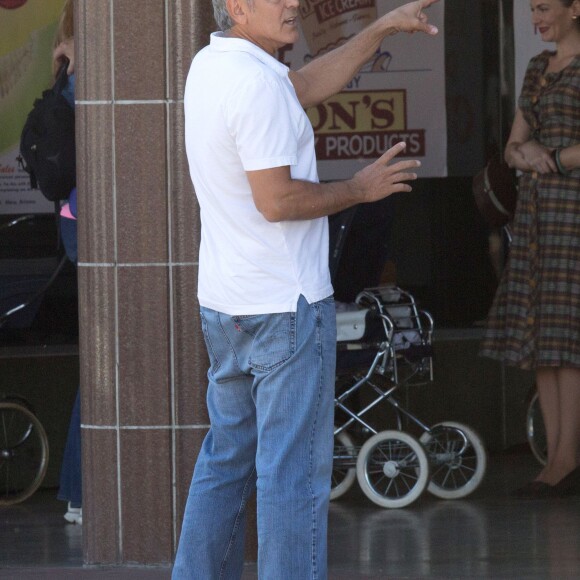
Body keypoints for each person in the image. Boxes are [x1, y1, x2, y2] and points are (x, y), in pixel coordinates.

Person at [172, 1, 438, 578]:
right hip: (284, 309)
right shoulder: (254, 83)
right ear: (237, 5)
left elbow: (303, 85)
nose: (293, 2)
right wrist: (360, 189)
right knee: (291, 478)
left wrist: (381, 28)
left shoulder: (215, 65)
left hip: (229, 305)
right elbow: (278, 201)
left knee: (226, 462)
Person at [481, 0, 580, 499]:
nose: (536, 17)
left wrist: (555, 159)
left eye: (543, 7)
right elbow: (512, 147)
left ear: (574, 8)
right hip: (539, 213)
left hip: (575, 209)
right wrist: (527, 153)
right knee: (546, 336)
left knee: (570, 339)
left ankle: (566, 457)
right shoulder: (538, 67)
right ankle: (555, 457)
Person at [52, 0, 81, 524]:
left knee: (101, 362)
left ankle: (79, 489)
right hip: (91, 222)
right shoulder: (84, 78)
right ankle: (80, 488)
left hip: (73, 221)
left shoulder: (64, 71)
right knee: (108, 362)